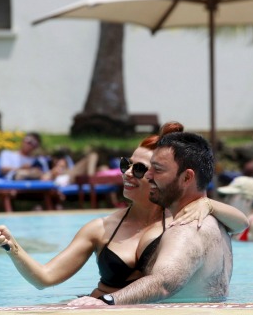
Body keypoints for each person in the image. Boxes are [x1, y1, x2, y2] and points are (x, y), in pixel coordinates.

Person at [0, 123, 248, 301]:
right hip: (96, 308)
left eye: (142, 169)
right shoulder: (101, 228)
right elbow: (45, 278)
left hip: (117, 312)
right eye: (126, 164)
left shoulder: (186, 221)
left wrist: (209, 203)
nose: (128, 173)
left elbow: (239, 224)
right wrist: (12, 246)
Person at [69, 131, 235, 306]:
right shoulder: (219, 222)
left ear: (186, 177)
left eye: (158, 170)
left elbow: (163, 283)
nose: (148, 175)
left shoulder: (186, 228)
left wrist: (106, 301)